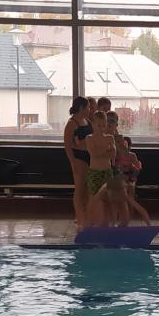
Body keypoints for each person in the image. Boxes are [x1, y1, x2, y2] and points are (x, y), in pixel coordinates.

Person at [83, 111, 118, 225]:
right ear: (93, 125)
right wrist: (105, 149)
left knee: (110, 198)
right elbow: (93, 153)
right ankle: (89, 222)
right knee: (93, 198)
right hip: (94, 172)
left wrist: (100, 150)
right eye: (99, 125)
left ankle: (111, 223)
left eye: (104, 125)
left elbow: (113, 154)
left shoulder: (110, 138)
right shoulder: (89, 138)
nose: (101, 128)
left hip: (107, 172)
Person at [63, 96, 93, 225]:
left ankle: (86, 214)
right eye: (88, 107)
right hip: (78, 157)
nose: (90, 109)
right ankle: (79, 216)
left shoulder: (87, 120)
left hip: (90, 156)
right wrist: (72, 162)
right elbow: (67, 145)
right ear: (81, 108)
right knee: (80, 188)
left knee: (87, 189)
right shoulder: (72, 124)